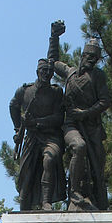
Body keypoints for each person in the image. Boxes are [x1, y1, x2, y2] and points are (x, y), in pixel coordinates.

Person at [47, 21, 111, 211]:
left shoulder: (98, 77)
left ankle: (89, 196)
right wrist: (54, 37)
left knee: (96, 168)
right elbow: (52, 62)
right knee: (79, 146)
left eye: (95, 58)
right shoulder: (70, 73)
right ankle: (73, 192)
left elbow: (104, 101)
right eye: (89, 56)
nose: (91, 60)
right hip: (71, 125)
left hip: (91, 127)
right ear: (82, 55)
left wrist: (85, 113)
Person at [9, 59, 67, 210]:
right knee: (26, 171)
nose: (46, 74)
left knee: (50, 159)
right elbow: (13, 105)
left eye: (49, 71)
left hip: (51, 136)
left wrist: (36, 122)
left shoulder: (56, 92)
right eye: (43, 71)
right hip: (32, 137)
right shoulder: (25, 91)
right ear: (37, 72)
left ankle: (46, 201)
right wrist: (17, 129)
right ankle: (24, 201)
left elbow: (59, 117)